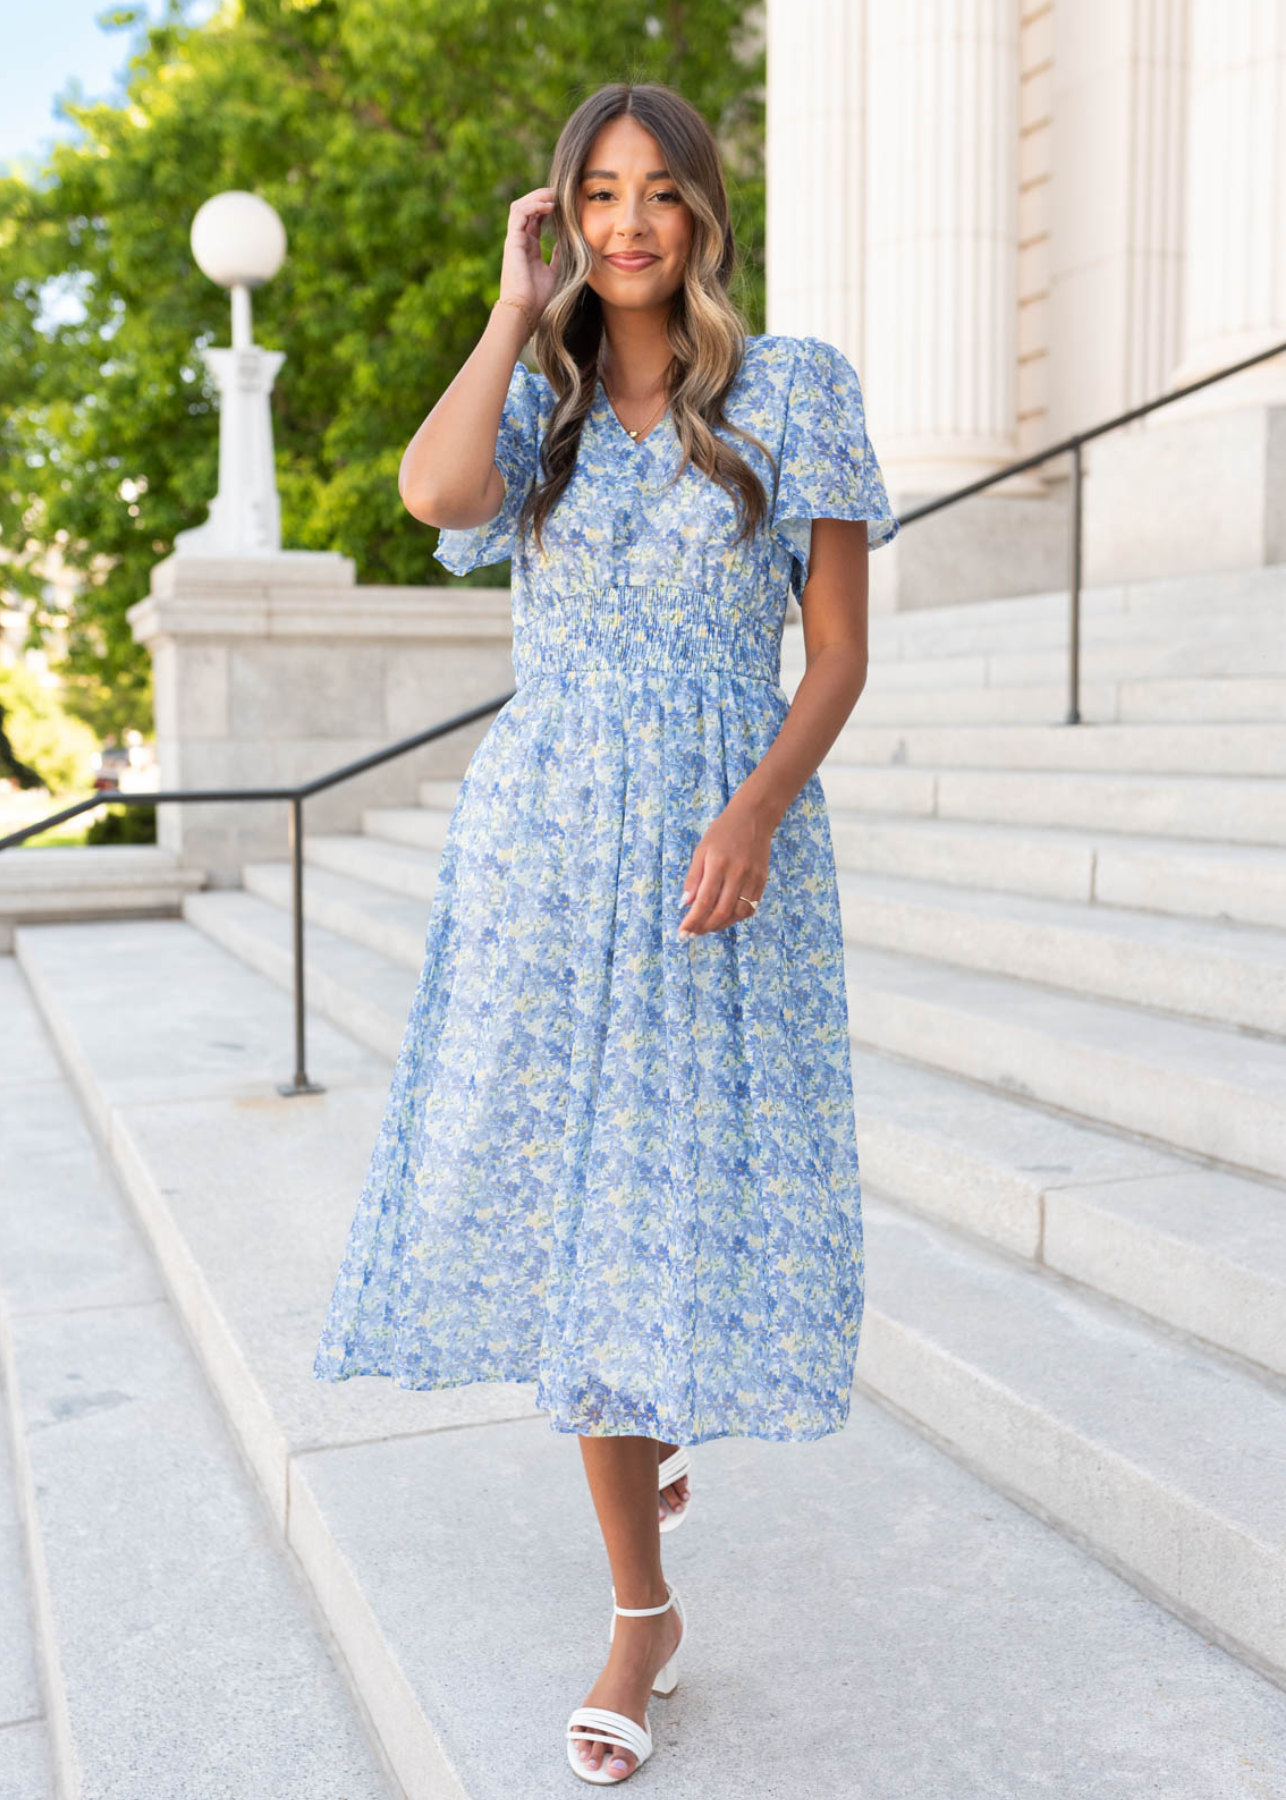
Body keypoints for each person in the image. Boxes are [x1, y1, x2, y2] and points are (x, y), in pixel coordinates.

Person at [311, 79, 898, 1786]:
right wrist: (507, 308)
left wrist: (752, 811)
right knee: (584, 1228)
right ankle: (643, 1606)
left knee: (663, 1210)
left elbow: (840, 652)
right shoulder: (541, 399)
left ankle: (640, 1494)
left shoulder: (792, 390)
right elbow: (429, 494)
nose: (629, 224)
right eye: (596, 197)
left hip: (715, 849)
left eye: (658, 194)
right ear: (561, 218)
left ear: (705, 216)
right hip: (544, 855)